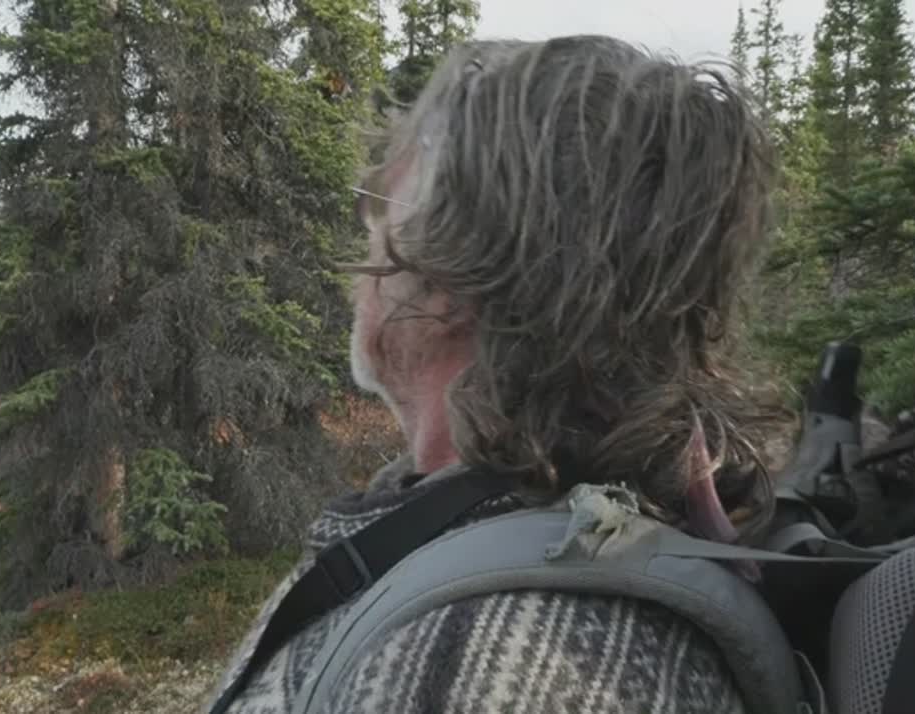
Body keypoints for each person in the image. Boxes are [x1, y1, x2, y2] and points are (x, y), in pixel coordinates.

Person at [209, 35, 784, 713]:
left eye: (378, 210)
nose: (364, 244)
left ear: (453, 276)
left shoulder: (493, 670)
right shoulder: (572, 541)